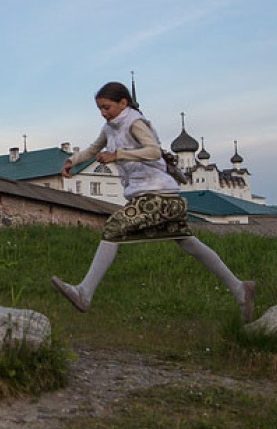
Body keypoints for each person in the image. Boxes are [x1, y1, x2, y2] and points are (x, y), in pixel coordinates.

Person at [51, 82, 256, 322]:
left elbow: (153, 151)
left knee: (114, 227)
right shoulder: (110, 128)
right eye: (100, 109)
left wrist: (118, 155)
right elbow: (93, 149)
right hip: (149, 195)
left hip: (159, 194)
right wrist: (72, 161)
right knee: (188, 242)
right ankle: (240, 289)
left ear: (123, 103)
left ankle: (84, 293)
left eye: (107, 107)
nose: (103, 113)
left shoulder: (135, 123)